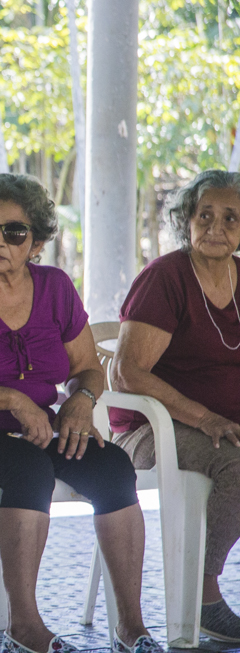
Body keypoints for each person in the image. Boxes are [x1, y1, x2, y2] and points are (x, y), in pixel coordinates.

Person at [0, 174, 161, 653]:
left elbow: (86, 369)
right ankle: (24, 624)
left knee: (113, 469)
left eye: (13, 232)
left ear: (36, 242)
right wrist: (12, 399)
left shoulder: (56, 288)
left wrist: (81, 402)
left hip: (33, 427)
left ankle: (132, 626)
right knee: (28, 467)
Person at [110, 170, 240, 641]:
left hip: (222, 425)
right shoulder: (165, 278)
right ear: (186, 219)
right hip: (149, 428)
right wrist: (205, 418)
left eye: (230, 218)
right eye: (204, 215)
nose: (216, 227)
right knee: (237, 465)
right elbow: (128, 373)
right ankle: (200, 596)